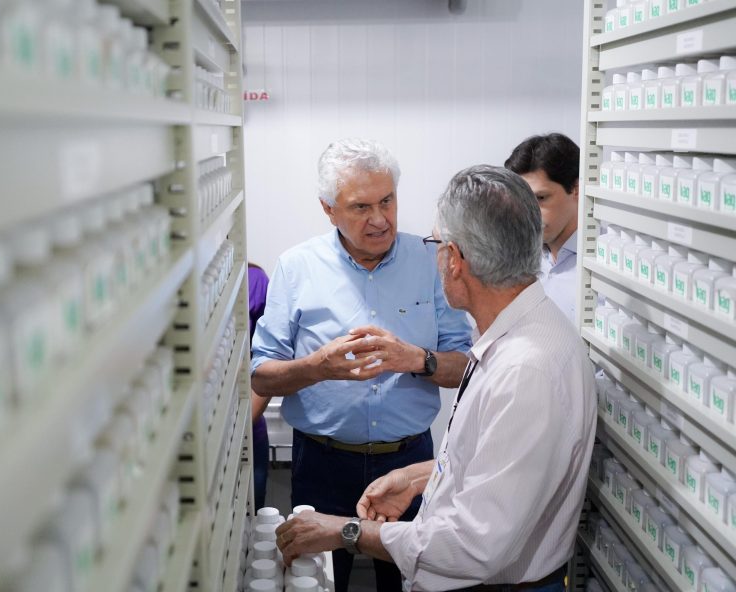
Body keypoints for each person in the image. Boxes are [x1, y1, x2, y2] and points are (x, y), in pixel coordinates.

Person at [274, 165, 597, 592]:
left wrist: (346, 531)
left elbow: (471, 547)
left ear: (455, 260)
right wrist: (418, 478)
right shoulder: (523, 333)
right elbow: (501, 465)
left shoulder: (525, 370)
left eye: (437, 244)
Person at [250, 138, 473, 592]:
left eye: (387, 200)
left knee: (410, 583)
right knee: (317, 582)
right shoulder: (296, 267)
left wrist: (417, 359)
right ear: (328, 209)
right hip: (321, 464)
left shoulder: (432, 260)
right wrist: (317, 367)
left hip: (410, 464)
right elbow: (261, 375)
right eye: (361, 207)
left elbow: (466, 366)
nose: (379, 219)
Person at [505, 133, 581, 323]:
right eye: (522, 200)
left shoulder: (605, 265)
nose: (529, 212)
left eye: (541, 198)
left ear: (576, 189)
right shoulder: (516, 258)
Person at [247, 263, 272, 510]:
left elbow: (269, 358)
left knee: (250, 517)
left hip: (247, 426)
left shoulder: (254, 279)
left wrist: (241, 429)